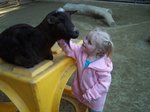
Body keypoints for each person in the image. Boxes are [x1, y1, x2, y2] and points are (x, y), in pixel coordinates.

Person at [57, 28, 113, 112]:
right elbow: (70, 48)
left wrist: (90, 94)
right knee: (83, 107)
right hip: (81, 94)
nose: (84, 41)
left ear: (99, 50)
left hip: (95, 100)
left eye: (89, 42)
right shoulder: (81, 52)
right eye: (86, 37)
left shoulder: (103, 67)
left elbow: (104, 84)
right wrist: (62, 41)